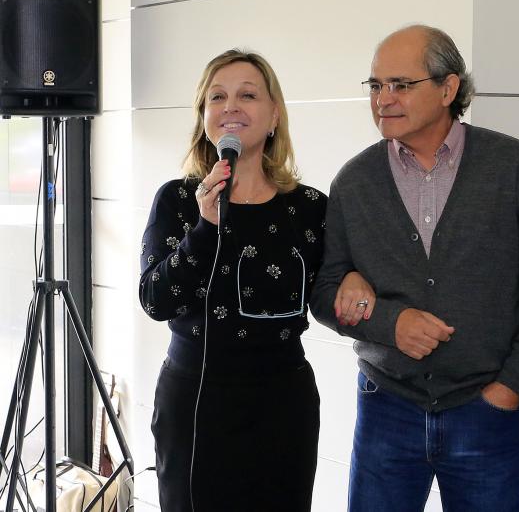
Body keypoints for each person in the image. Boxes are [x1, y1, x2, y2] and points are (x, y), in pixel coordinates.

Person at [310, 24, 519, 511]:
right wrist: (392, 324)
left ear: (448, 88)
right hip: (385, 408)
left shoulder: (514, 167)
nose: (383, 99)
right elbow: (325, 289)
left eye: (400, 84)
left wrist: (511, 387)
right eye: (375, 86)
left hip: (486, 410)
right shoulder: (354, 181)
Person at [139, 49, 370, 511]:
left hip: (282, 406)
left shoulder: (309, 207)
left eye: (248, 95)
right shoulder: (179, 200)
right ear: (204, 116)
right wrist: (204, 230)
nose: (231, 107)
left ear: (274, 116)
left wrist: (355, 278)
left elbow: (328, 291)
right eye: (217, 97)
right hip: (195, 403)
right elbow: (155, 300)